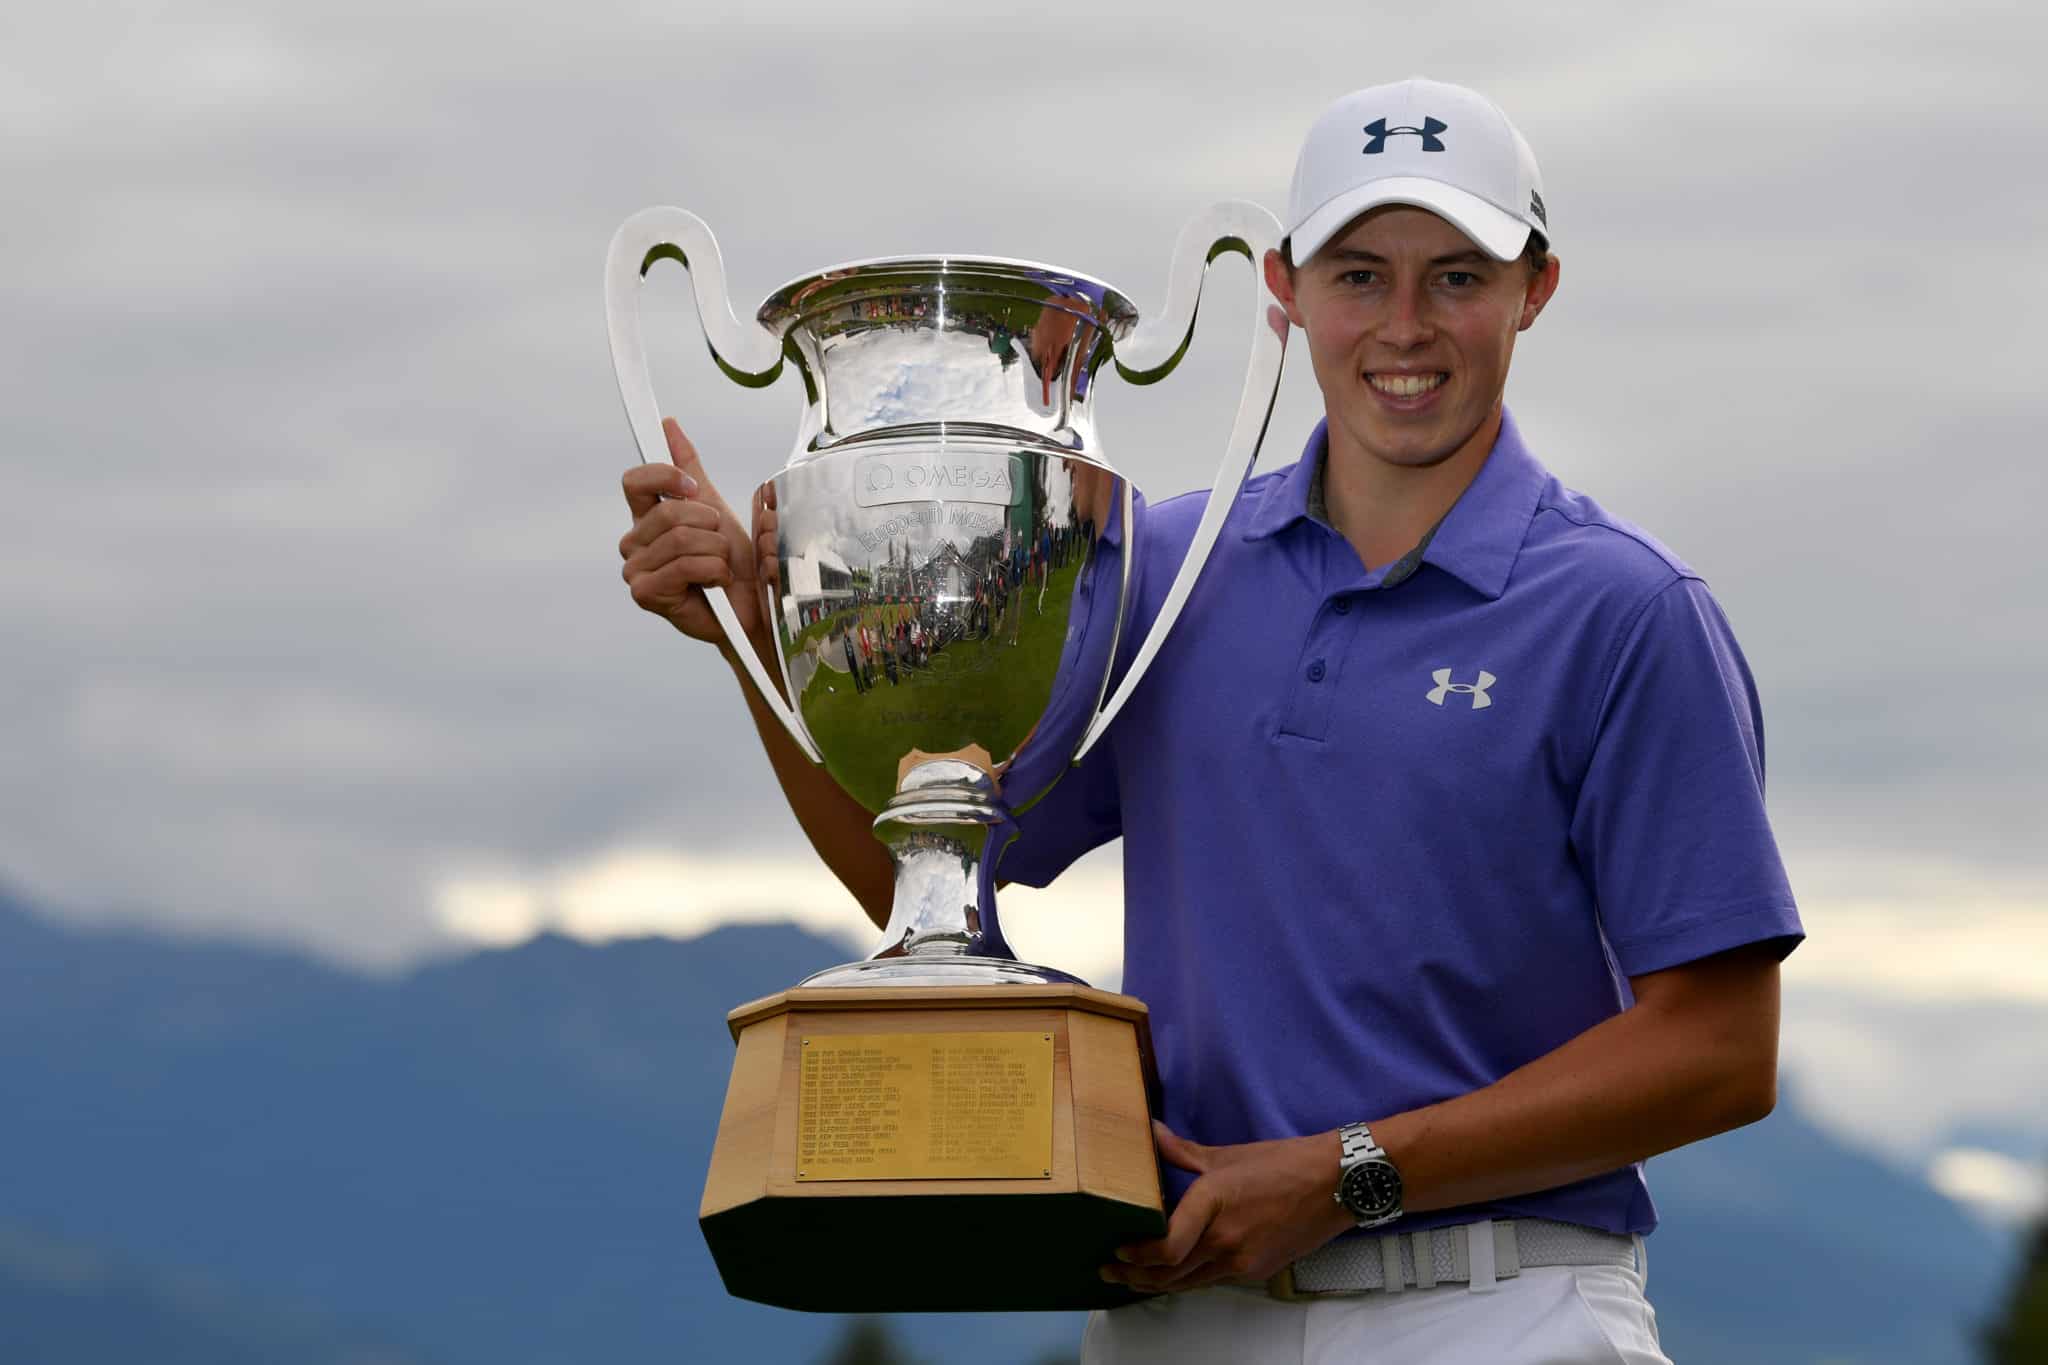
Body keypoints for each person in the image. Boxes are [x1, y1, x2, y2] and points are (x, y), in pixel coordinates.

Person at [616, 76, 1800, 1364]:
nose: (1405, 327)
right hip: (1178, 1314)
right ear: (1286, 291)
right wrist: (750, 637)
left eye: (1458, 276)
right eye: (1359, 276)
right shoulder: (1163, 569)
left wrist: (1348, 1176)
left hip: (1493, 1310)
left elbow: (1721, 1050)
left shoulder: (1626, 610)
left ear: (1537, 289)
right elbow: (937, 876)